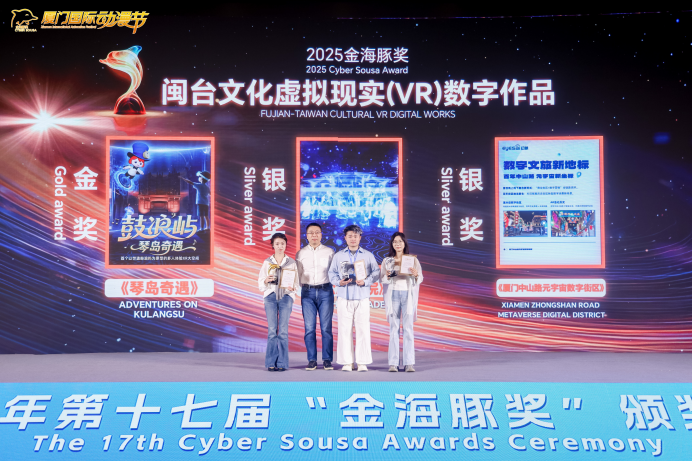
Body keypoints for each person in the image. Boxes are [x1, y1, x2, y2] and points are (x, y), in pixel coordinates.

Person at [328, 224, 380, 372]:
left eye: (355, 236)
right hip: (344, 297)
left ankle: (362, 362)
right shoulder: (338, 256)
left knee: (363, 330)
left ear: (360, 238)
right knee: (344, 330)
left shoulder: (368, 255)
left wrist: (366, 281)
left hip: (362, 297)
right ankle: (347, 362)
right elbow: (331, 273)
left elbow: (376, 272)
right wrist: (339, 282)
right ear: (345, 238)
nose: (352, 239)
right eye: (350, 236)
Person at [381, 232, 423, 373]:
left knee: (408, 329)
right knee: (394, 329)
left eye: (400, 241)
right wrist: (387, 276)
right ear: (392, 244)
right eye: (395, 242)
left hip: (407, 295)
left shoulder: (413, 260)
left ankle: (409, 363)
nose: (397, 244)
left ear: (404, 243)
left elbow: (420, 278)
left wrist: (415, 275)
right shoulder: (387, 261)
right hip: (393, 294)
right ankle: (393, 363)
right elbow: (382, 279)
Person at [295, 223, 335, 371]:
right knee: (309, 328)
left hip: (326, 291)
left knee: (326, 328)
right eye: (311, 232)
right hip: (307, 292)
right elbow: (297, 274)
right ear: (306, 235)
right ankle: (312, 359)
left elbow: (334, 272)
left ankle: (327, 359)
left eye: (317, 232)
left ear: (321, 234)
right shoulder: (300, 253)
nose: (314, 235)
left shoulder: (329, 252)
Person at [257, 233, 299, 371]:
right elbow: (261, 281)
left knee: (283, 331)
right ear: (273, 245)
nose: (280, 246)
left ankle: (282, 363)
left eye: (282, 243)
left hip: (286, 296)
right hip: (270, 296)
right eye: (277, 244)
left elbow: (296, 282)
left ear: (286, 245)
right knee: (272, 330)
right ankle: (270, 362)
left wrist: (293, 288)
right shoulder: (267, 262)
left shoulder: (291, 262)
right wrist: (266, 280)